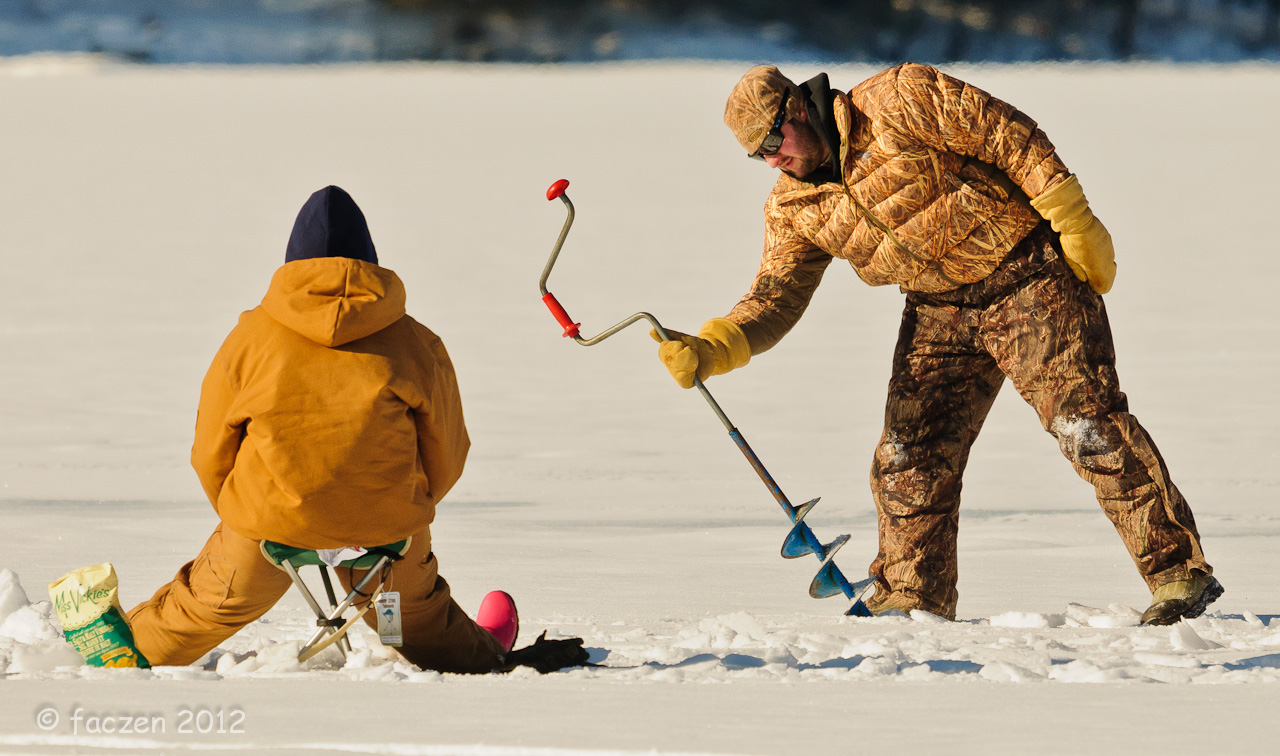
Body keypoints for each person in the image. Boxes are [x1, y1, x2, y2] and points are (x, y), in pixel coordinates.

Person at [651, 63, 1221, 625]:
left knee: (1085, 425)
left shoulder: (898, 99)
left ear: (798, 107)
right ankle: (914, 597)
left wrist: (1073, 219)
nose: (773, 158)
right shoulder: (793, 205)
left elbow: (1008, 136)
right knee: (907, 454)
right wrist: (714, 346)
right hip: (936, 308)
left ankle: (1177, 572)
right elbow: (775, 296)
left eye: (774, 140)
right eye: (759, 155)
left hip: (1026, 274)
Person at [126, 186, 585, 672]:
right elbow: (448, 453)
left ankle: (114, 651)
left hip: (266, 529)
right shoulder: (416, 343)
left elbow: (209, 451)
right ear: (371, 262)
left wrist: (254, 511)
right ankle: (487, 652)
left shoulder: (249, 340)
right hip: (386, 533)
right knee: (422, 621)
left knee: (201, 606)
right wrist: (400, 507)